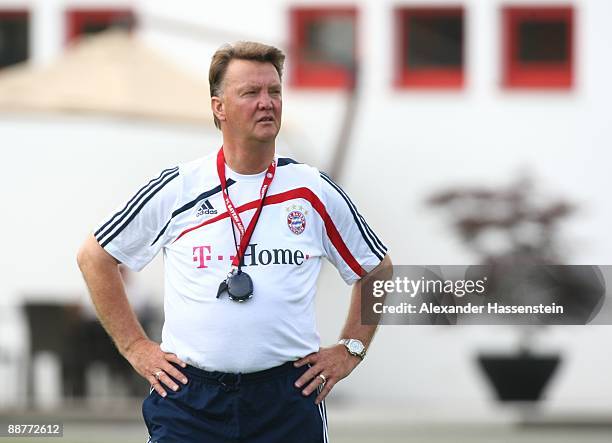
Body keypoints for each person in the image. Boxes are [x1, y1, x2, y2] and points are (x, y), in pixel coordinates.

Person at [77, 41, 392, 443]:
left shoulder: (312, 190)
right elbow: (94, 257)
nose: (267, 103)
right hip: (188, 400)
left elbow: (377, 268)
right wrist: (136, 346)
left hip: (287, 398)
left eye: (274, 91)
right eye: (250, 93)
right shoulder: (178, 187)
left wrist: (351, 348)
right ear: (218, 107)